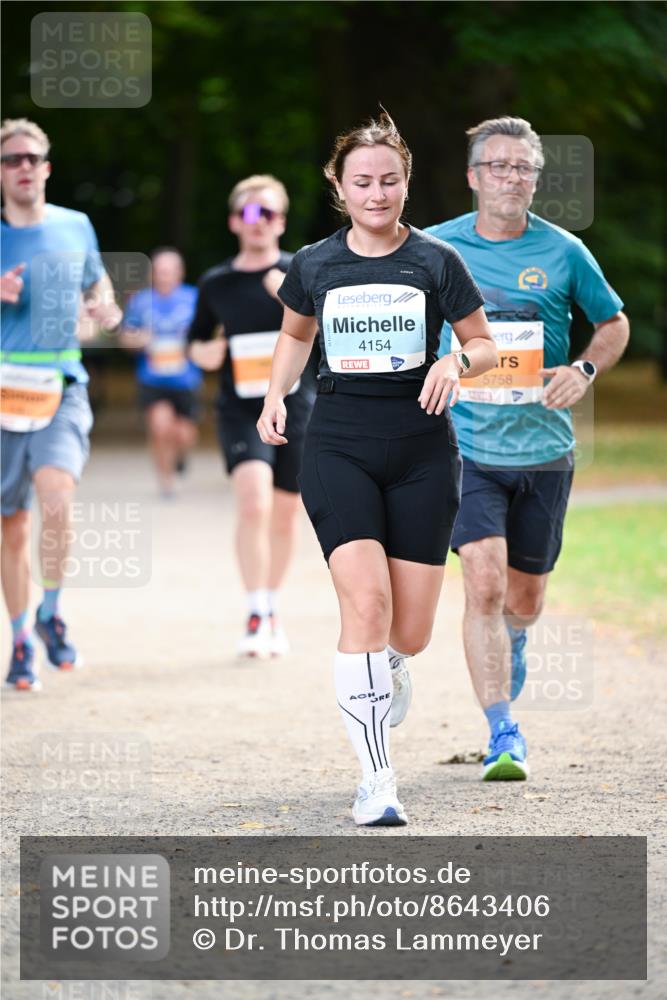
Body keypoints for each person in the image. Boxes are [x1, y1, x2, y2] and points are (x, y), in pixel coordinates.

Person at [257, 112, 497, 826]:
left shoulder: (434, 262)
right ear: (338, 184)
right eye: (362, 181)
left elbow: (482, 346)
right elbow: (293, 337)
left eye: (389, 180)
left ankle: (387, 666)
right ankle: (376, 780)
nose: (377, 193)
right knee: (364, 605)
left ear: (405, 182)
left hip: (422, 448)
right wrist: (274, 394)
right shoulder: (315, 264)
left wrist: (454, 360)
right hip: (337, 443)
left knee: (410, 631)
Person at [426, 116, 629, 781]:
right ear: (472, 176)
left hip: (542, 452)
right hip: (466, 448)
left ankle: (513, 638)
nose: (509, 179)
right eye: (497, 166)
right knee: (480, 580)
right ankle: (500, 730)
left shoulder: (565, 251)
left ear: (535, 179)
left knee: (524, 599)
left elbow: (612, 322)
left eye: (522, 168)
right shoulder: (435, 250)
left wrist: (584, 370)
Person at [1, 118, 121, 691]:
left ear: (46, 168)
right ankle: (22, 638)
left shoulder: (76, 226)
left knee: (56, 497)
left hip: (60, 384)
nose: (23, 166)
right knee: (12, 525)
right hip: (3, 394)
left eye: (32, 158)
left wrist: (106, 310)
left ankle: (52, 610)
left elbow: (99, 288)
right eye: (11, 159)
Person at [188, 176, 315, 658]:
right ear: (233, 222)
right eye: (248, 214)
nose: (257, 222)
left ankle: (273, 603)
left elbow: (326, 334)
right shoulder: (216, 282)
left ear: (280, 221)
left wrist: (289, 297)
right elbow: (196, 341)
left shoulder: (299, 273)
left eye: (267, 214)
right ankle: (254, 607)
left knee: (284, 514)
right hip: (241, 409)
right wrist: (207, 351)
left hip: (296, 406)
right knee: (253, 503)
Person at [121, 248, 201, 498]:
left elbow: (210, 333)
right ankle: (166, 483)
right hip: (152, 378)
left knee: (184, 434)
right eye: (160, 271)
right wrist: (138, 340)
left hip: (186, 379)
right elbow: (125, 337)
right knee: (159, 427)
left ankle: (182, 455)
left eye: (169, 271)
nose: (164, 276)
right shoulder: (140, 301)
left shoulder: (194, 298)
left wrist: (195, 344)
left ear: (180, 272)